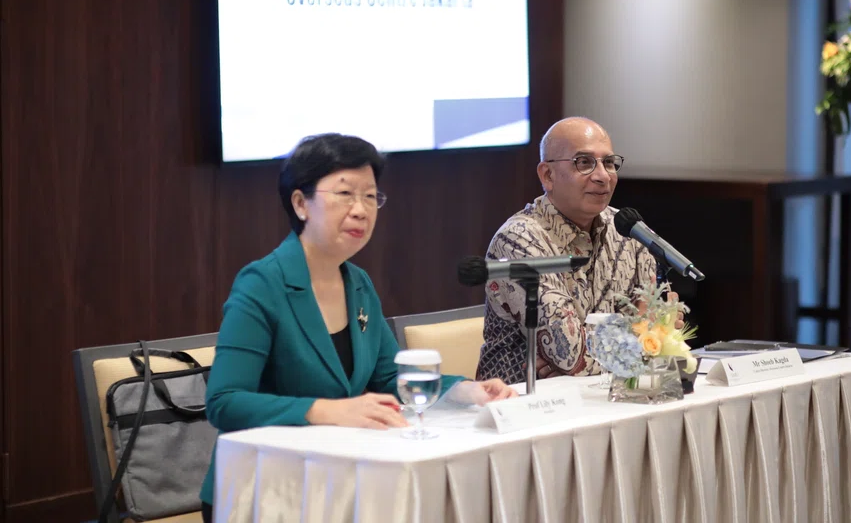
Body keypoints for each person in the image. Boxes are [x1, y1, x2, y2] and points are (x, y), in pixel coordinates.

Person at [199, 133, 516, 522]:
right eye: (346, 194)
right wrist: (331, 410)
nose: (362, 210)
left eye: (370, 196)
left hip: (336, 478)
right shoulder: (262, 284)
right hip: (265, 488)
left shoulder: (357, 283)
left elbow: (388, 374)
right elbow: (225, 402)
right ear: (301, 203)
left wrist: (468, 391)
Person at [475, 117, 684, 385]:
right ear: (547, 175)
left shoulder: (629, 231)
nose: (602, 175)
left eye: (609, 163)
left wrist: (644, 337)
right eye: (584, 163)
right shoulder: (519, 241)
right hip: (522, 407)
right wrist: (639, 335)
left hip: (607, 398)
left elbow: (662, 334)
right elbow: (571, 356)